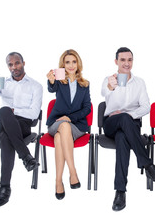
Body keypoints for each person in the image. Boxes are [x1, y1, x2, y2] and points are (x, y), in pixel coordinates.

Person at [101, 47, 155, 211]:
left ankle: (120, 192)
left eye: (129, 60)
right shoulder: (109, 80)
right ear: (116, 62)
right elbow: (104, 92)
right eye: (122, 60)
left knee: (123, 138)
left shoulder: (140, 83)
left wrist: (129, 114)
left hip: (130, 125)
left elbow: (146, 107)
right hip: (111, 122)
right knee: (122, 120)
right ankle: (148, 165)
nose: (126, 63)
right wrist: (111, 87)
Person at [0, 52, 43, 207]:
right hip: (3, 122)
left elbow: (34, 113)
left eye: (17, 63)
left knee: (5, 135)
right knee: (3, 112)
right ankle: (26, 157)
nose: (14, 67)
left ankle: (4, 188)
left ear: (23, 63)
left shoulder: (35, 86)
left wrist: (11, 110)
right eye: (10, 64)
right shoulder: (3, 83)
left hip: (23, 125)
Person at [46, 49, 91, 200]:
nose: (71, 65)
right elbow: (51, 88)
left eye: (73, 61)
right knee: (62, 126)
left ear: (78, 63)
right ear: (62, 65)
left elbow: (86, 108)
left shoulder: (85, 84)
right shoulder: (59, 81)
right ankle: (73, 172)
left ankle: (58, 181)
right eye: (67, 62)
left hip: (76, 125)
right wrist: (51, 80)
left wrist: (70, 117)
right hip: (56, 123)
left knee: (59, 138)